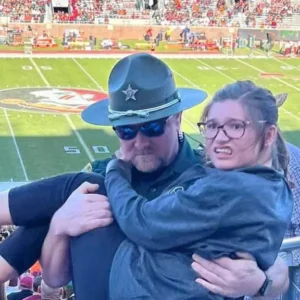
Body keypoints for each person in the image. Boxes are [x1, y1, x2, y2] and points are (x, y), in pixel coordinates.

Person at [0, 53, 291, 299]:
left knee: (87, 188)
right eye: (126, 131)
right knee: (83, 190)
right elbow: (56, 275)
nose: (139, 142)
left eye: (152, 128)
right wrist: (60, 225)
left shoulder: (208, 173)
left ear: (177, 118)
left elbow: (267, 255)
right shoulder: (104, 170)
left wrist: (261, 283)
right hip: (115, 283)